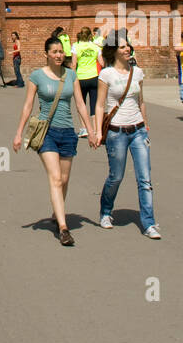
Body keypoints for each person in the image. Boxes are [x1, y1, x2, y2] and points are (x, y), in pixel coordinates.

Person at [12, 35, 96, 246]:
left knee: (64, 180)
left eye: (61, 52)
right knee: (56, 178)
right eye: (54, 52)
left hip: (68, 132)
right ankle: (63, 227)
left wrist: (91, 130)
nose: (59, 55)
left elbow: (80, 104)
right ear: (46, 54)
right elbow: (28, 106)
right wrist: (18, 133)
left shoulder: (71, 75)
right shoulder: (37, 77)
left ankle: (56, 212)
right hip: (46, 132)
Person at [94, 36, 160, 237]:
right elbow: (99, 104)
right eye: (122, 46)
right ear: (114, 51)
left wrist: (146, 124)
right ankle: (106, 211)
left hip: (138, 130)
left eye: (128, 45)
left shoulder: (137, 72)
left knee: (145, 179)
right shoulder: (106, 74)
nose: (127, 49)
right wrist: (98, 131)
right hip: (116, 131)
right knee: (116, 176)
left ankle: (149, 223)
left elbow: (141, 101)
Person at [71, 27, 99, 136]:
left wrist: (72, 77)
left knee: (80, 103)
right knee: (94, 104)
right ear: (90, 35)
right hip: (93, 77)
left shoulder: (76, 46)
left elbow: (74, 64)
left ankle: (84, 128)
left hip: (80, 78)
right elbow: (101, 61)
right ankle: (96, 129)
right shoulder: (95, 46)